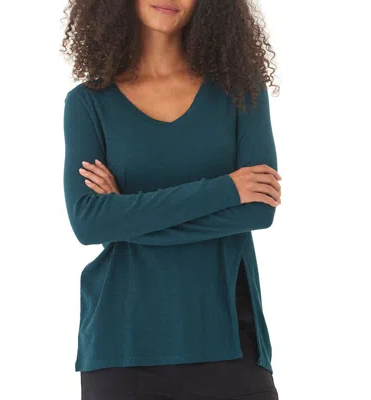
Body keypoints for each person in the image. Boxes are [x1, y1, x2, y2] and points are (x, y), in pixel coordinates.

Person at [61, 1, 282, 399]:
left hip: (230, 341)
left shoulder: (241, 89)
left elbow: (259, 209)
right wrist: (226, 189)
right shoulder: (88, 103)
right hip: (122, 348)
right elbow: (90, 223)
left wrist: (127, 215)